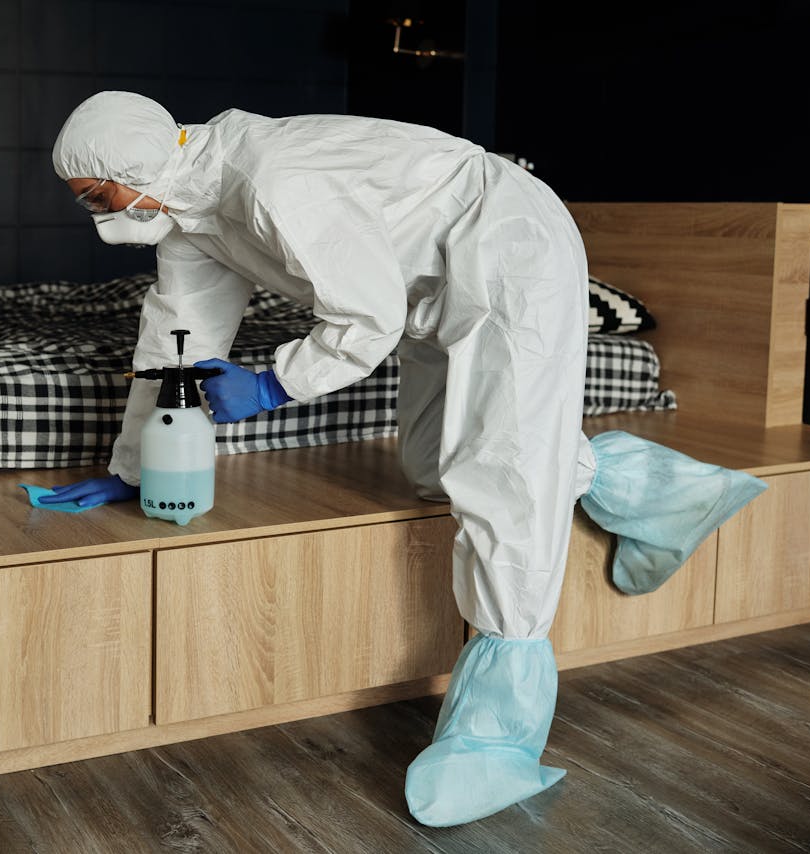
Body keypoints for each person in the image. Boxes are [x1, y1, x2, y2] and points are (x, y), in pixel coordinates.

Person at [41, 91, 766, 826]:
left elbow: (366, 316)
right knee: (435, 467)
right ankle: (670, 496)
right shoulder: (187, 214)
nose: (101, 217)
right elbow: (178, 337)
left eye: (101, 195)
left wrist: (271, 384)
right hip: (426, 283)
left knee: (501, 473)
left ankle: (494, 740)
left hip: (506, 245)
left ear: (139, 162)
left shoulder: (267, 177)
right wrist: (132, 466)